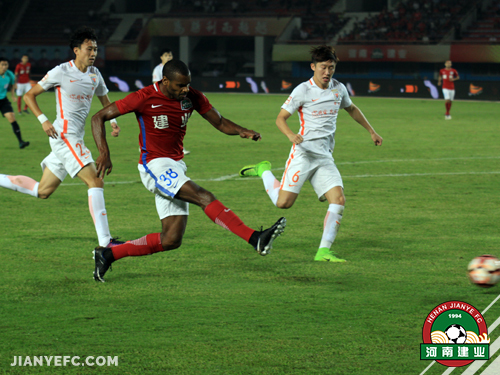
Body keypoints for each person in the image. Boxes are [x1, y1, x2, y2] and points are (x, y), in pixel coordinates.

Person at [90, 59, 286, 282]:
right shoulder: (143, 97)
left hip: (175, 165)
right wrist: (104, 152)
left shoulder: (192, 96)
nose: (185, 89)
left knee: (171, 239)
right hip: (154, 165)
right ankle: (255, 238)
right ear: (165, 81)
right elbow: (99, 117)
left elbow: (219, 122)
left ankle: (108, 253)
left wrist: (242, 131)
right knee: (204, 196)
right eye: (180, 85)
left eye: (187, 84)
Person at [239, 45, 383, 263]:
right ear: (313, 67)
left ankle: (323, 251)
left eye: (331, 68)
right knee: (283, 203)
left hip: (324, 157)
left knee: (338, 200)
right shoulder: (302, 90)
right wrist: (290, 135)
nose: (327, 72)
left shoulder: (338, 89)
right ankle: (264, 170)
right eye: (323, 67)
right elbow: (280, 118)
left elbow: (351, 108)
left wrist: (371, 131)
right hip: (303, 155)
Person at [0, 27, 122, 248]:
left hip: (72, 138)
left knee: (42, 191)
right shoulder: (62, 71)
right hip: (65, 136)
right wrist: (44, 120)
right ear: (76, 50)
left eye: (95, 49)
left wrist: (113, 122)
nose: (93, 53)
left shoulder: (95, 74)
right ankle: (106, 244)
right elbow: (29, 95)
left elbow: (106, 101)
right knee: (96, 181)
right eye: (88, 49)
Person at [152, 48, 191, 156]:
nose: (168, 57)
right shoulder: (158, 70)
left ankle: (178, 148)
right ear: (161, 57)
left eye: (170, 55)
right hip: (162, 102)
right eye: (166, 55)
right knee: (162, 126)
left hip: (174, 101)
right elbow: (156, 85)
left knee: (175, 125)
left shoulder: (176, 70)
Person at [0, 57, 30, 149]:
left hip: (3, 100)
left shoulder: (9, 74)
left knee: (12, 119)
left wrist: (13, 95)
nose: (4, 67)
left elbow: (12, 85)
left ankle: (21, 142)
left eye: (6, 65)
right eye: (2, 65)